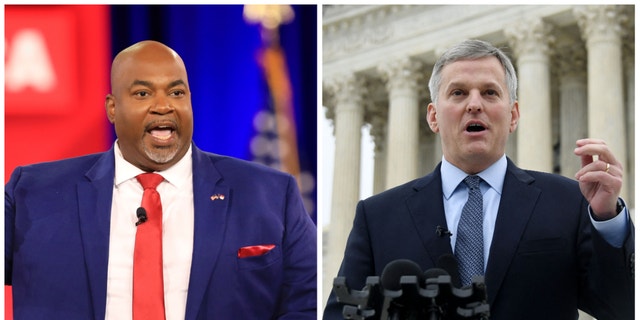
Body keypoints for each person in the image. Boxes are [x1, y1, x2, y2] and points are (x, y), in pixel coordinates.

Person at [5, 40, 317, 319]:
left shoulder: (270, 194)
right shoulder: (33, 193)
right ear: (113, 108)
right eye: (143, 93)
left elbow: (309, 303)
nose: (163, 105)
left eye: (176, 92)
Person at [323, 39, 633, 319]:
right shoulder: (378, 217)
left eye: (489, 92)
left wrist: (607, 219)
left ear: (512, 115)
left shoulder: (568, 202)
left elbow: (622, 308)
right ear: (433, 116)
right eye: (458, 93)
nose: (474, 104)